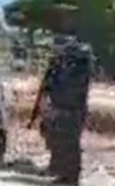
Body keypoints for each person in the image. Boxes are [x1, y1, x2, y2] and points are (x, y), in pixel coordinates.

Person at [28, 35, 94, 185]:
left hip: (71, 110)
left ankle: (70, 178)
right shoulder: (59, 64)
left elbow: (70, 89)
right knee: (58, 142)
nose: (54, 51)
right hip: (61, 109)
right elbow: (46, 87)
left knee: (70, 145)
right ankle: (61, 172)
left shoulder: (78, 66)